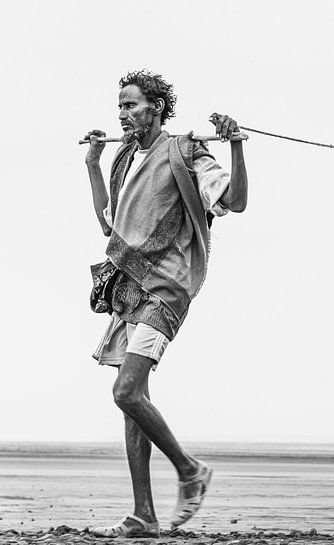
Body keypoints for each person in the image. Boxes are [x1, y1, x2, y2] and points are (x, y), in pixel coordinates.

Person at [83, 70, 248, 537]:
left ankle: (190, 470)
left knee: (126, 392)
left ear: (156, 107)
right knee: (133, 403)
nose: (123, 114)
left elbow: (234, 202)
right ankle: (144, 515)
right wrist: (93, 166)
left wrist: (234, 144)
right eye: (119, 107)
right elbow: (108, 226)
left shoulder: (186, 150)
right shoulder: (122, 160)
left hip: (165, 289)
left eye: (132, 105)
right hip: (128, 289)